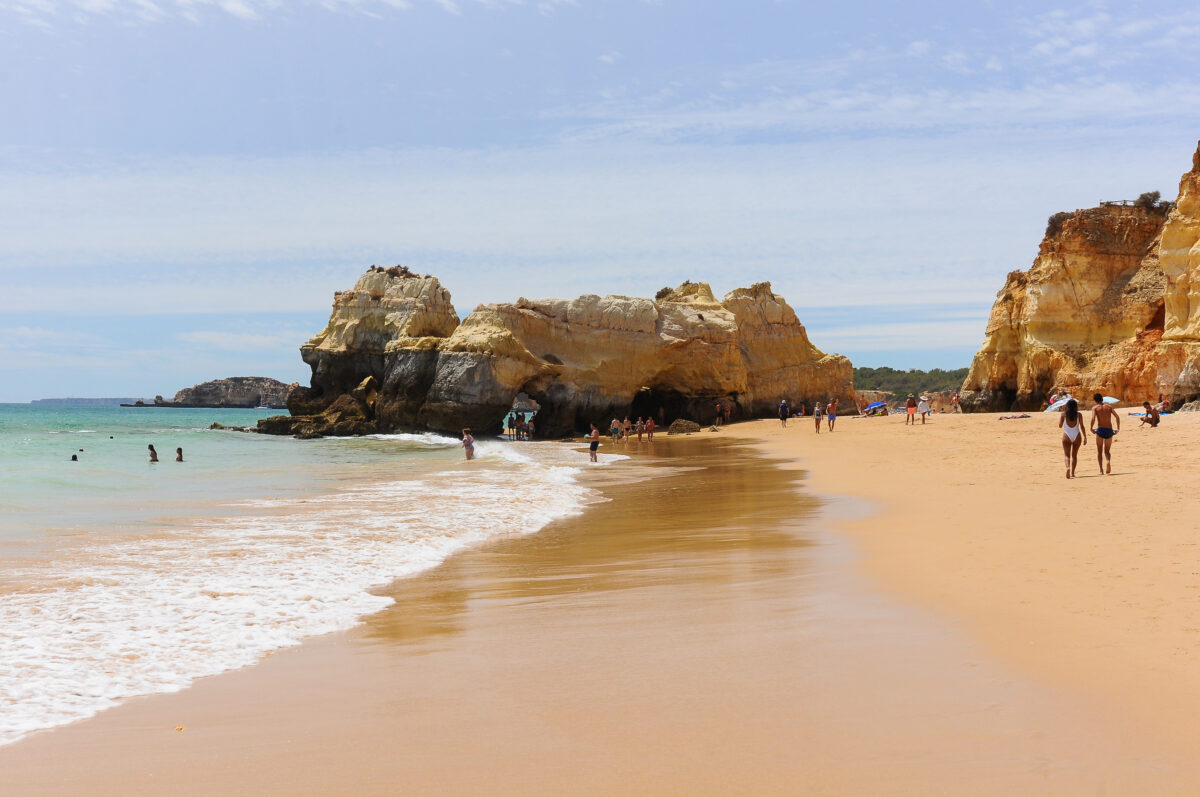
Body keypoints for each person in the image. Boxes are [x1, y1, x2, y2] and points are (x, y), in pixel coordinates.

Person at [1089, 393, 1119, 474]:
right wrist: (1118, 428)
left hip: (1100, 430)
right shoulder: (1109, 407)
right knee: (1107, 451)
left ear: (1095, 400)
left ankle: (1101, 470)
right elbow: (1117, 417)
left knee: (1099, 451)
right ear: (1102, 399)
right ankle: (1108, 461)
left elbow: (1093, 418)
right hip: (1109, 430)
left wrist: (1091, 428)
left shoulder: (1095, 408)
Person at [1058, 398, 1086, 478]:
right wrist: (1085, 437)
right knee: (1074, 455)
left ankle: (1068, 467)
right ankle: (1073, 473)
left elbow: (1060, 426)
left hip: (1067, 435)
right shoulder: (1079, 415)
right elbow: (1082, 426)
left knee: (1067, 455)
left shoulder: (1063, 414)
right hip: (1077, 435)